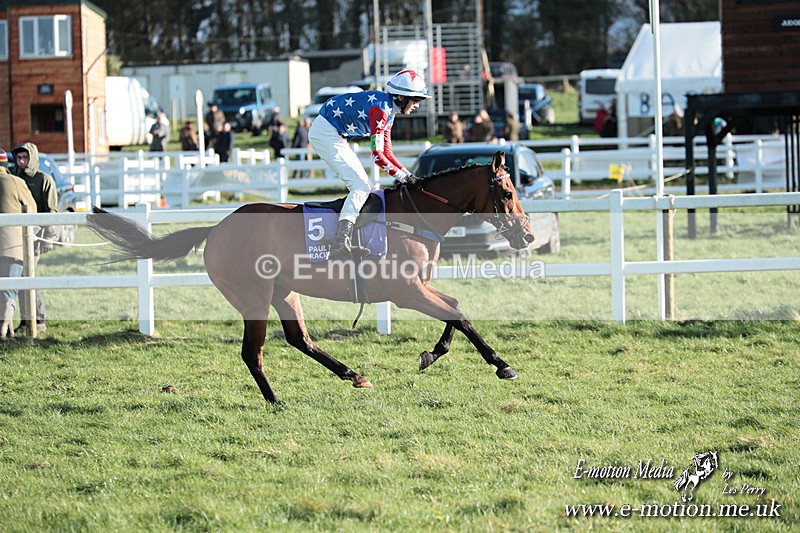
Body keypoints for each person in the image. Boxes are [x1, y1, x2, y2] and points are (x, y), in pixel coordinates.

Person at [309, 68, 429, 260]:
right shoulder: (381, 110)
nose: (417, 105)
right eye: (415, 100)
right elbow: (378, 156)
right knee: (360, 187)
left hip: (334, 133)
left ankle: (352, 238)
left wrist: (408, 175)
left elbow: (387, 151)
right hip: (326, 134)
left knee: (367, 188)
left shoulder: (388, 108)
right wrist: (404, 177)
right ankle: (340, 242)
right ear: (401, 97)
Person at [11, 142, 57, 334]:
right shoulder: (15, 179)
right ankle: (26, 321)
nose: (21, 162)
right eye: (19, 158)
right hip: (18, 236)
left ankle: (38, 319)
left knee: (27, 275)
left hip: (38, 236)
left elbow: (52, 211)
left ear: (33, 158)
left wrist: (48, 237)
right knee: (21, 276)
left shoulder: (44, 180)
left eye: (25, 158)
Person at [0, 150, 36, 339]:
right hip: (11, 247)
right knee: (9, 290)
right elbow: (32, 210)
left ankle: (9, 332)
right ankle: (4, 330)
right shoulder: (15, 182)